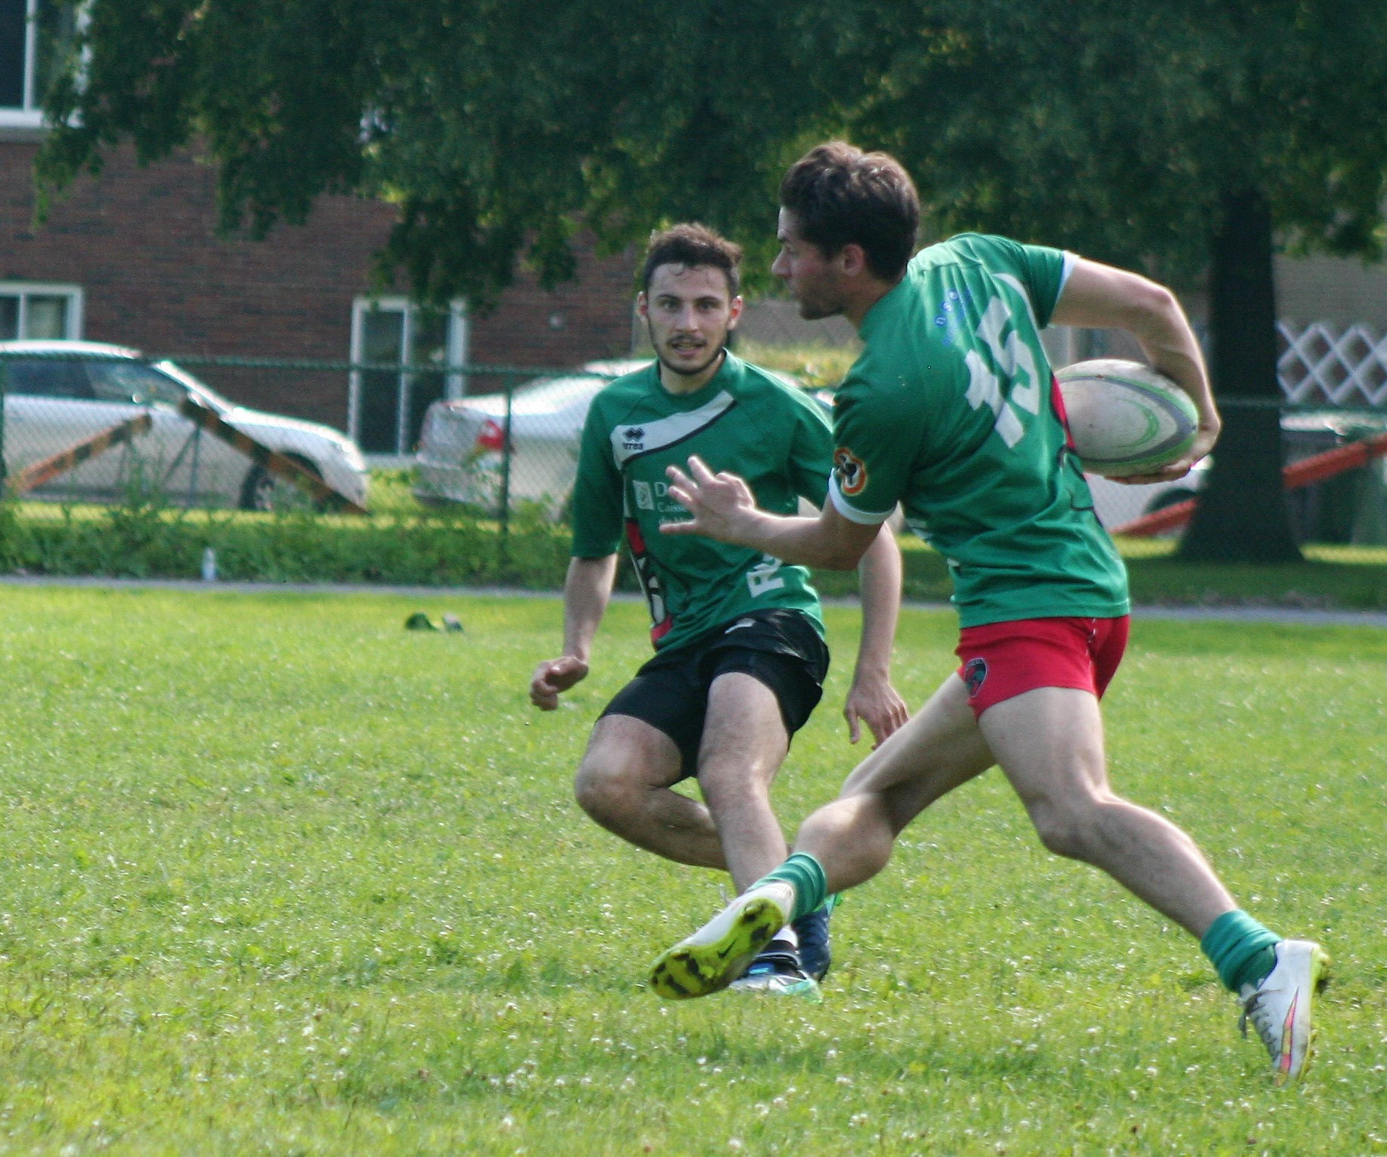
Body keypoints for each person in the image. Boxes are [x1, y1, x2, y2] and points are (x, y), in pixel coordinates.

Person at [646, 142, 1326, 1084]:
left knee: (1071, 809)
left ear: (849, 261)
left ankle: (1259, 959)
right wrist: (1201, 421)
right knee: (874, 796)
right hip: (1078, 591)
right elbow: (1155, 308)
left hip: (1030, 609)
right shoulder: (976, 259)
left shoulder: (881, 390)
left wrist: (743, 521)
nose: (778, 265)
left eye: (792, 248)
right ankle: (783, 899)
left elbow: (843, 545)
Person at [530, 223, 908, 998]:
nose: (688, 322)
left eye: (706, 304)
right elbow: (594, 551)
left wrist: (874, 670)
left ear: (735, 313)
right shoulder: (613, 413)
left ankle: (774, 961)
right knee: (606, 782)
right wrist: (578, 646)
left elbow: (877, 535)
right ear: (645, 310)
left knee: (730, 768)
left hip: (774, 625)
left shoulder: (776, 406)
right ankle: (796, 884)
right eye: (670, 304)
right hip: (685, 640)